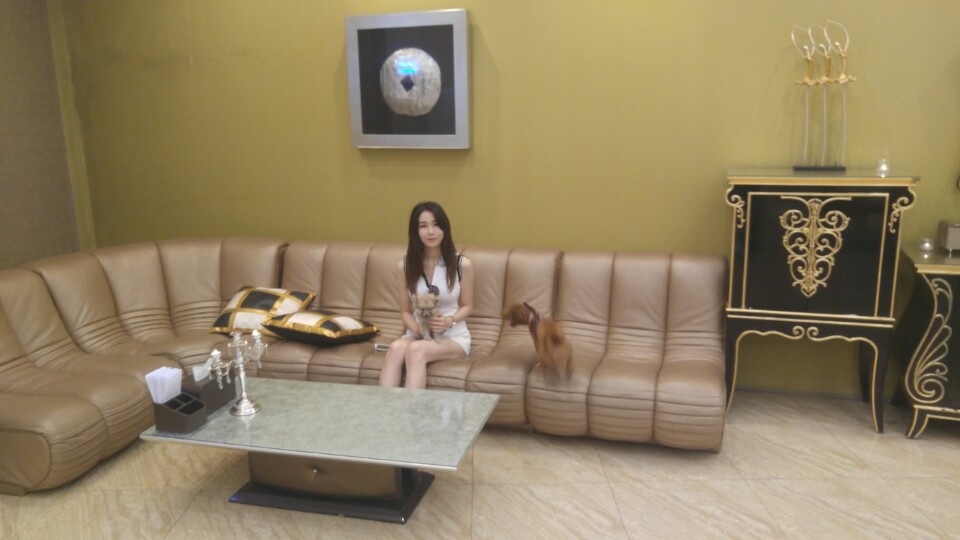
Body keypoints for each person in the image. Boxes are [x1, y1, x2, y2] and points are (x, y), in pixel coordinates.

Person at [379, 201, 473, 389]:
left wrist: (449, 321)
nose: (431, 232)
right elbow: (405, 311)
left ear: (445, 228)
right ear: (416, 231)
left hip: (452, 336)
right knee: (396, 348)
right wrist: (419, 329)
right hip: (418, 333)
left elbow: (468, 306)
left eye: (436, 225)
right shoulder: (404, 267)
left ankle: (413, 409)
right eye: (423, 226)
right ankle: (384, 407)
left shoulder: (462, 265)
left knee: (416, 349)